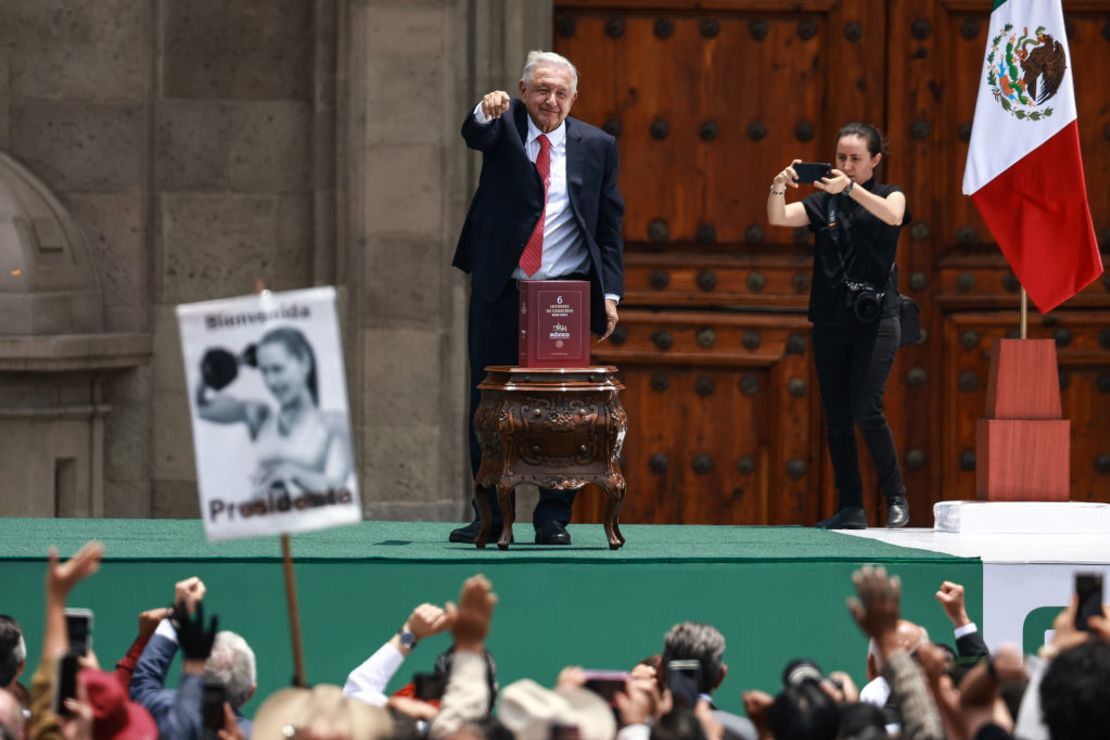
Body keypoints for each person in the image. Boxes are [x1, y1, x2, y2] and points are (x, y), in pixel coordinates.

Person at [449, 49, 625, 546]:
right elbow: (473, 133)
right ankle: (490, 516)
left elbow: (609, 225)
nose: (551, 100)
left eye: (561, 92)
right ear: (524, 91)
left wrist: (609, 293)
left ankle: (553, 517)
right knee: (488, 404)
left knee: (561, 407)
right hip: (501, 288)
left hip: (562, 294)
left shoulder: (598, 144)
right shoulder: (503, 125)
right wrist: (487, 109)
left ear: (574, 98)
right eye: (542, 90)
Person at [766, 123, 911, 529]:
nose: (845, 165)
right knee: (837, 416)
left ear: (875, 161)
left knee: (868, 408)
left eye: (855, 159)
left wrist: (849, 189)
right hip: (831, 318)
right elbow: (778, 217)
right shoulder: (821, 204)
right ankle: (852, 507)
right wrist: (779, 183)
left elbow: (894, 216)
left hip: (877, 319)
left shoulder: (887, 194)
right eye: (841, 158)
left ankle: (896, 496)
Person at [196, 326, 352, 498]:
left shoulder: (335, 424)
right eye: (264, 371)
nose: (271, 381)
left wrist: (292, 472)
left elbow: (338, 488)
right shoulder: (260, 416)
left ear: (304, 363)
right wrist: (228, 363)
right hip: (258, 519)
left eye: (278, 369)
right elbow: (200, 409)